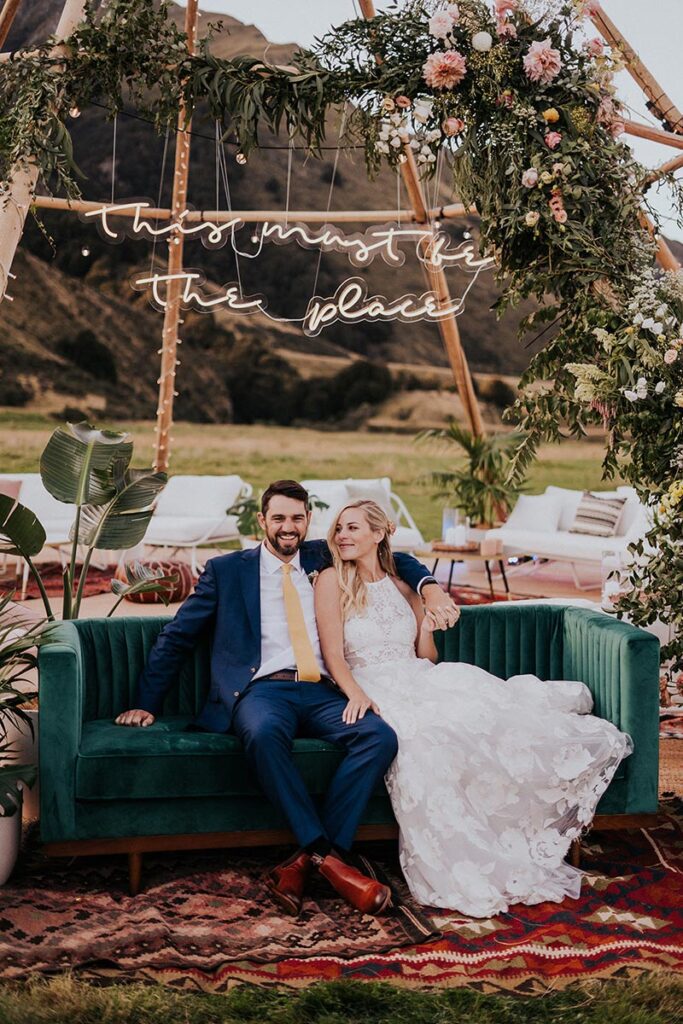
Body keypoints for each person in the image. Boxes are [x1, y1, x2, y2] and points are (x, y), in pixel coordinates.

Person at [115, 480, 459, 917]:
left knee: (378, 737)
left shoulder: (322, 555)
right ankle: (332, 860)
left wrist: (430, 587)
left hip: (320, 689)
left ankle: (309, 861)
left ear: (307, 521)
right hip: (262, 690)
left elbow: (395, 556)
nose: (288, 526)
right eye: (278, 518)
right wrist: (146, 701)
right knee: (261, 735)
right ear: (262, 521)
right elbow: (178, 637)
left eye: (297, 518)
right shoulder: (227, 570)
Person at [314, 499, 634, 918]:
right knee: (429, 742)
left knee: (490, 719)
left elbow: (425, 657)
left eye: (353, 527)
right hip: (374, 686)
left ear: (379, 533)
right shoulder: (330, 581)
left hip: (419, 677)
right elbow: (333, 653)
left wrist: (427, 627)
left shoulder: (403, 584)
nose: (343, 536)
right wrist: (355, 692)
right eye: (339, 528)